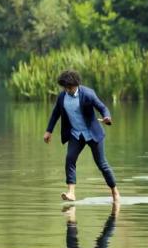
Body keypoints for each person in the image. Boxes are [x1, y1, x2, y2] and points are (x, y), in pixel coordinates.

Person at [44, 70, 120, 203]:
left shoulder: (87, 94)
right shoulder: (62, 97)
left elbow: (102, 107)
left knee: (102, 164)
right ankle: (71, 193)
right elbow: (56, 114)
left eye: (70, 87)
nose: (68, 90)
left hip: (92, 133)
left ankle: (115, 192)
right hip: (76, 134)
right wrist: (48, 131)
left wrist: (106, 117)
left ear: (76, 84)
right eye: (65, 87)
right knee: (70, 159)